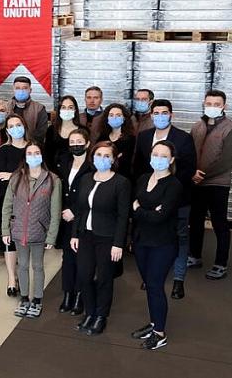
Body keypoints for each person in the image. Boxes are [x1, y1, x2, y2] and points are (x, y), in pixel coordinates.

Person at [133, 99, 196, 299]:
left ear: (171, 115)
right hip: (148, 200)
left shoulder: (183, 138)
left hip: (178, 198)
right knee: (150, 236)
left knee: (180, 237)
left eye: (164, 112)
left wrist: (168, 191)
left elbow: (189, 169)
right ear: (151, 115)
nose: (160, 116)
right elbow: (138, 167)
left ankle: (178, 279)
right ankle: (151, 276)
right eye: (156, 113)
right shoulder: (144, 137)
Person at [69, 141, 131, 336]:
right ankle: (90, 312)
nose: (102, 159)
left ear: (113, 160)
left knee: (104, 278)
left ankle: (101, 316)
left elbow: (123, 216)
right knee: (85, 275)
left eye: (106, 156)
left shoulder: (121, 183)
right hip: (85, 235)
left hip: (107, 237)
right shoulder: (86, 179)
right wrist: (75, 234)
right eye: (98, 155)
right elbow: (80, 210)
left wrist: (118, 244)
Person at [131, 140, 182, 351]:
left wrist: (140, 210)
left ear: (171, 160)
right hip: (141, 240)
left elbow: (160, 217)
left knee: (155, 285)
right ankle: (154, 323)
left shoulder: (174, 185)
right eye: (155, 154)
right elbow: (137, 207)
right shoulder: (143, 179)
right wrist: (148, 212)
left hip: (163, 243)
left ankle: (160, 334)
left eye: (163, 156)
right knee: (149, 284)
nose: (158, 159)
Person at [2, 142, 61, 318]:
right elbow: (7, 205)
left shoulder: (52, 180)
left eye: (37, 153)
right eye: (30, 153)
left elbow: (55, 211)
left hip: (39, 232)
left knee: (37, 266)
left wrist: (51, 236)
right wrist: (5, 230)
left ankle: (37, 299)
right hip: (19, 231)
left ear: (42, 156)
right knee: (22, 265)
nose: (33, 156)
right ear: (25, 157)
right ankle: (24, 298)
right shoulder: (16, 178)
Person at [188, 90, 232, 281]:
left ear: (224, 106)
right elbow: (189, 152)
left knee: (219, 224)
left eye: (216, 104)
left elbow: (225, 162)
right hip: (196, 183)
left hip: (218, 184)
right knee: (195, 221)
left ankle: (220, 264)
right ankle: (194, 256)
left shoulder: (231, 129)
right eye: (209, 103)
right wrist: (191, 172)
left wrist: (200, 176)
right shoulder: (197, 126)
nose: (212, 107)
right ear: (204, 104)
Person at [54, 129, 93, 315]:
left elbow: (94, 193)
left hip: (83, 217)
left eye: (79, 141)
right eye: (72, 142)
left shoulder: (92, 165)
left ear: (87, 143)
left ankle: (79, 295)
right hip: (64, 217)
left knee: (82, 258)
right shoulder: (63, 161)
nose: (75, 145)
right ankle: (67, 294)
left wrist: (75, 212)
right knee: (67, 258)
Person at [0, 114, 30, 296]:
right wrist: (22, 174)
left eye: (18, 124)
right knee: (9, 238)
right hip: (8, 200)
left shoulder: (34, 148)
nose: (16, 128)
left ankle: (22, 274)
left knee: (24, 238)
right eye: (12, 126)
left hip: (30, 200)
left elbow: (38, 174)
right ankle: (11, 278)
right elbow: (1, 177)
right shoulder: (3, 150)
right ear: (7, 130)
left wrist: (13, 175)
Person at [8, 76, 48, 143]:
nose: (21, 91)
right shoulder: (6, 107)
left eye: (25, 88)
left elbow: (41, 132)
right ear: (13, 89)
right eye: (17, 88)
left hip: (32, 145)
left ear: (30, 90)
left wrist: (30, 145)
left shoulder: (39, 108)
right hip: (10, 145)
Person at [101, 103, 135, 180]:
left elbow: (126, 162)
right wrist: (116, 157)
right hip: (103, 175)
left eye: (118, 115)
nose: (114, 118)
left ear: (124, 118)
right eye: (111, 115)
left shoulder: (130, 139)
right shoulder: (102, 137)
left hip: (121, 178)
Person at [45, 95, 81, 169]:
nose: (67, 110)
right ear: (59, 110)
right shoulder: (51, 130)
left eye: (70, 107)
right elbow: (47, 154)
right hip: (54, 172)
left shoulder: (82, 130)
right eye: (63, 107)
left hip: (76, 171)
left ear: (75, 110)